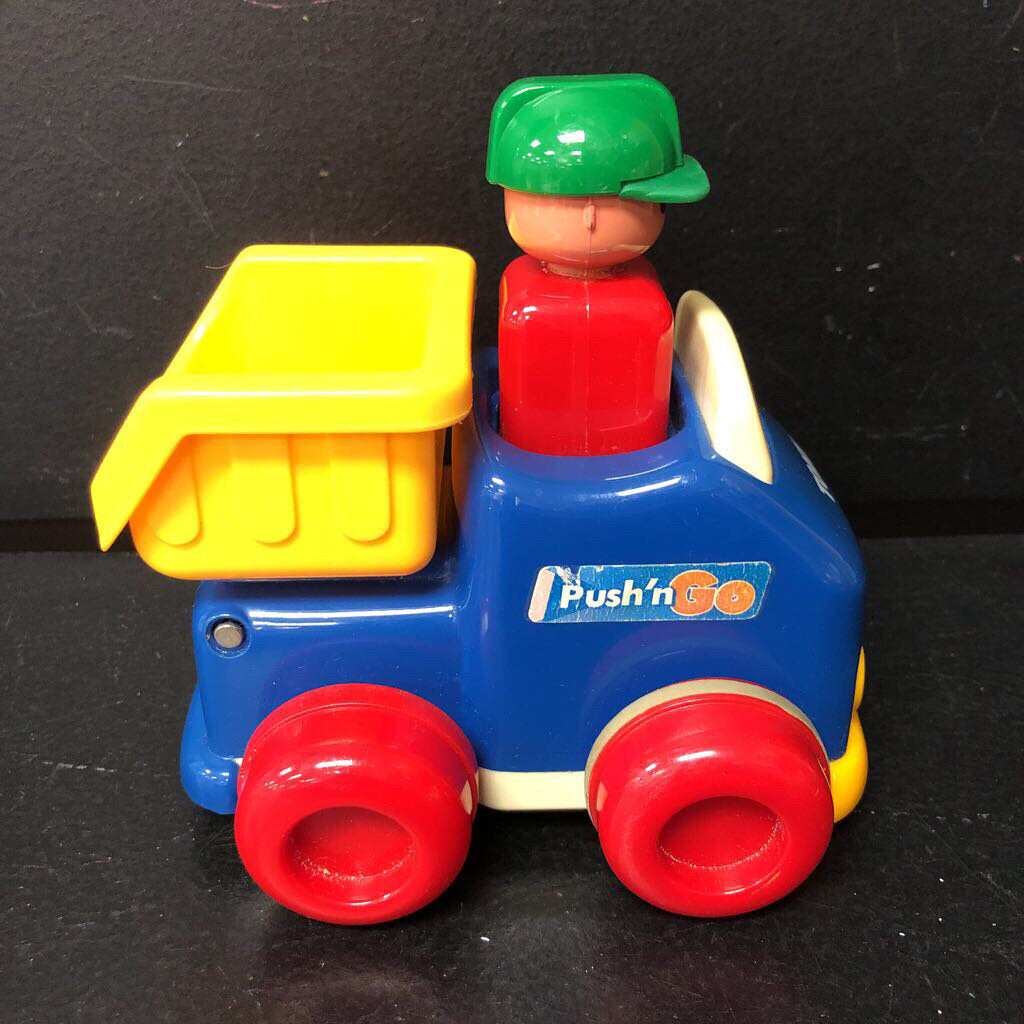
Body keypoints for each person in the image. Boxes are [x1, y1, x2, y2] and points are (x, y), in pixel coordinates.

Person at [486, 74, 709, 455]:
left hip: (546, 459)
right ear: (591, 215)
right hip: (615, 461)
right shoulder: (645, 305)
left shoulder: (522, 294)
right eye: (656, 203)